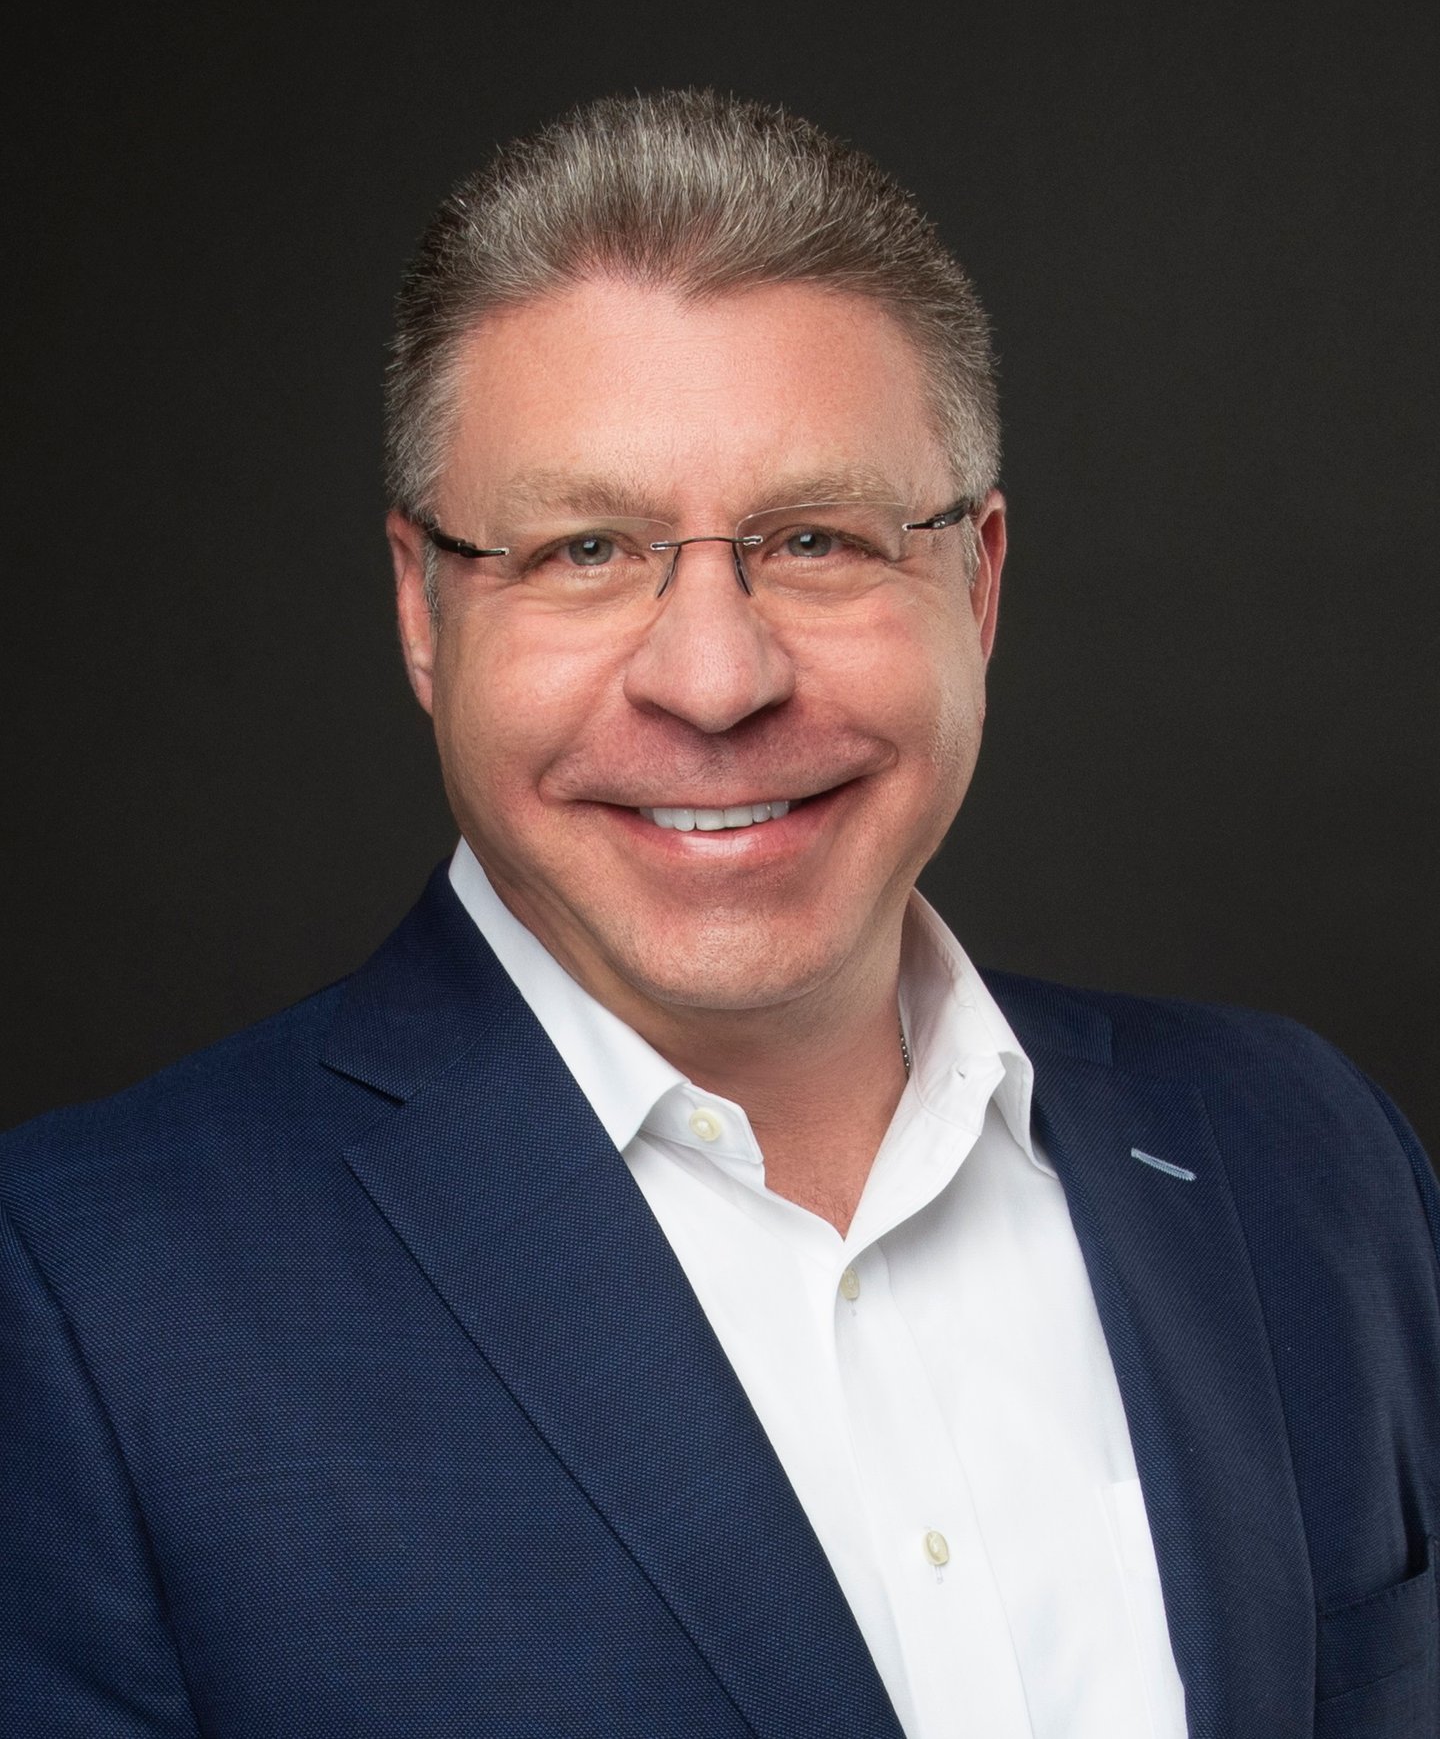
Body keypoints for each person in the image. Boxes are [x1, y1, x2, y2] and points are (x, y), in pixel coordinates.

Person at [2, 89, 1436, 1739]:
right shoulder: (83, 1302)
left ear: (974, 585)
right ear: (422, 606)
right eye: (587, 548)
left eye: (816, 540)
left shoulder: (1314, 1161)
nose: (714, 680)